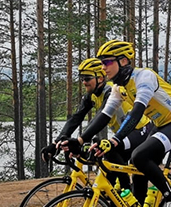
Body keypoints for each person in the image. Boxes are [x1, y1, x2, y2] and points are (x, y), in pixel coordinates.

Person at [61, 40, 171, 207]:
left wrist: (115, 140)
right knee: (136, 168)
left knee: (140, 156)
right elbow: (104, 116)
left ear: (123, 61)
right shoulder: (118, 88)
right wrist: (79, 140)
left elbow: (137, 112)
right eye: (101, 63)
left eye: (106, 62)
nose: (103, 67)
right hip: (161, 125)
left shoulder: (144, 77)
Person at [40, 58, 152, 192]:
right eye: (82, 78)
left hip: (140, 130)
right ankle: (115, 199)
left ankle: (127, 191)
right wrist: (55, 143)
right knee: (108, 176)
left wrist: (80, 140)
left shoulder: (111, 92)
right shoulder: (91, 95)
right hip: (124, 135)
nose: (84, 82)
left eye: (87, 78)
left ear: (100, 78)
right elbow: (76, 118)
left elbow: (100, 118)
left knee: (109, 151)